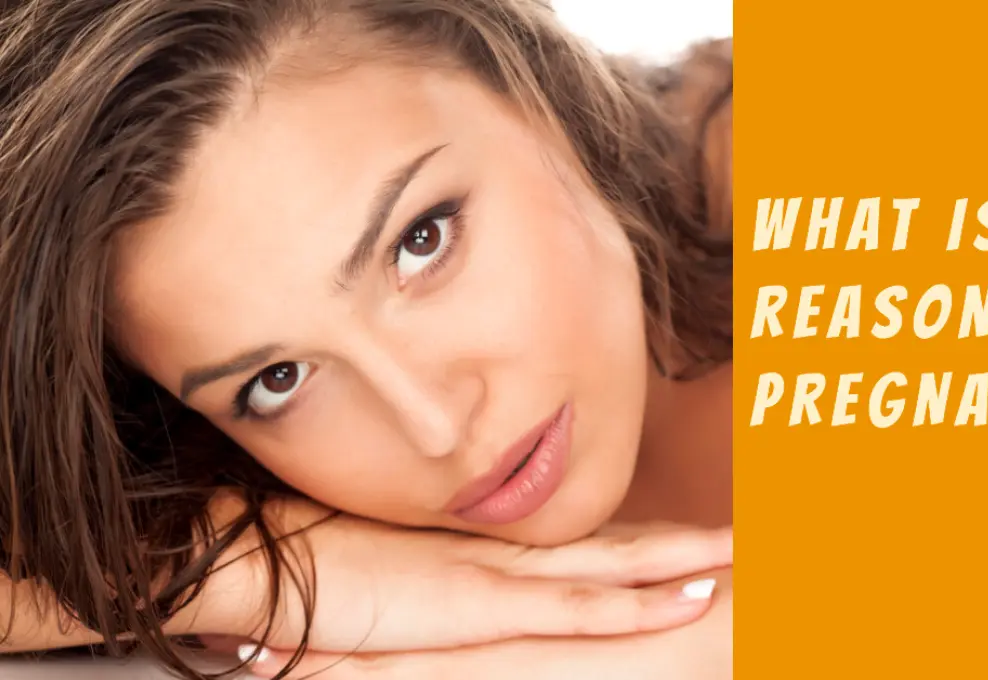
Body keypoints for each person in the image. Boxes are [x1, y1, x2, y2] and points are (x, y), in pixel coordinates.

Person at [0, 1, 733, 678]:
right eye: (277, 380)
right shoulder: (231, 485)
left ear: (532, 78)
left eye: (421, 241)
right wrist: (241, 570)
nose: (434, 425)